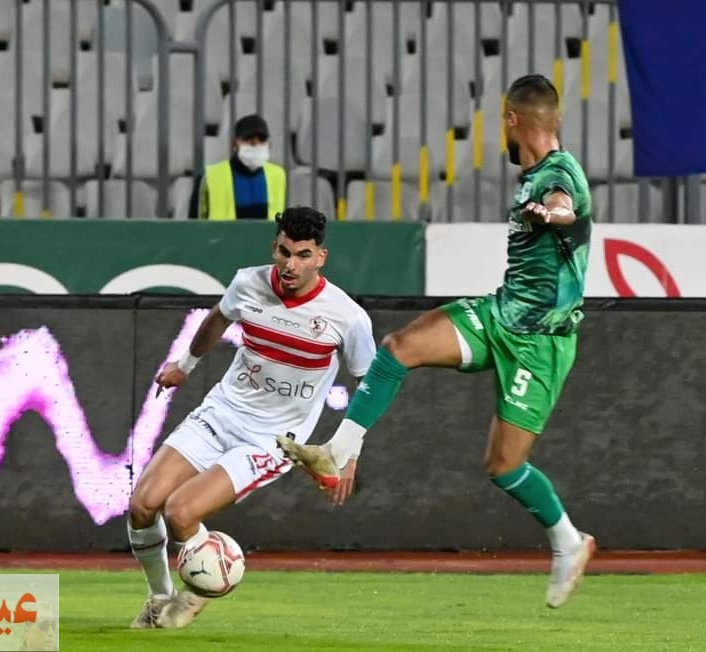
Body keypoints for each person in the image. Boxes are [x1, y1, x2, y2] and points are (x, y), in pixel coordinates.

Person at [276, 73, 597, 609]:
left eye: (502, 121)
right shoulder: (536, 174)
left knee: (503, 466)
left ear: (512, 120)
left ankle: (568, 542)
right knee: (398, 348)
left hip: (540, 341)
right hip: (500, 315)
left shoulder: (558, 175)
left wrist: (553, 213)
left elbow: (565, 204)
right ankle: (338, 449)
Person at [126, 206, 376, 629]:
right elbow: (216, 319)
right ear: (274, 247)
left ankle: (210, 580)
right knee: (142, 505)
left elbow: (369, 384)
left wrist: (350, 451)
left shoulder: (347, 317)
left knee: (181, 512)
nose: (290, 264)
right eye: (284, 252)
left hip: (272, 439)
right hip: (222, 412)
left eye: (302, 255)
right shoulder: (248, 282)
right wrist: (184, 366)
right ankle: (160, 598)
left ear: (321, 257)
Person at [192, 114, 287, 219]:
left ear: (269, 144)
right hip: (222, 231)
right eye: (249, 140)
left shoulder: (278, 175)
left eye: (262, 140)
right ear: (234, 144)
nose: (256, 145)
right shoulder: (209, 176)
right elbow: (194, 222)